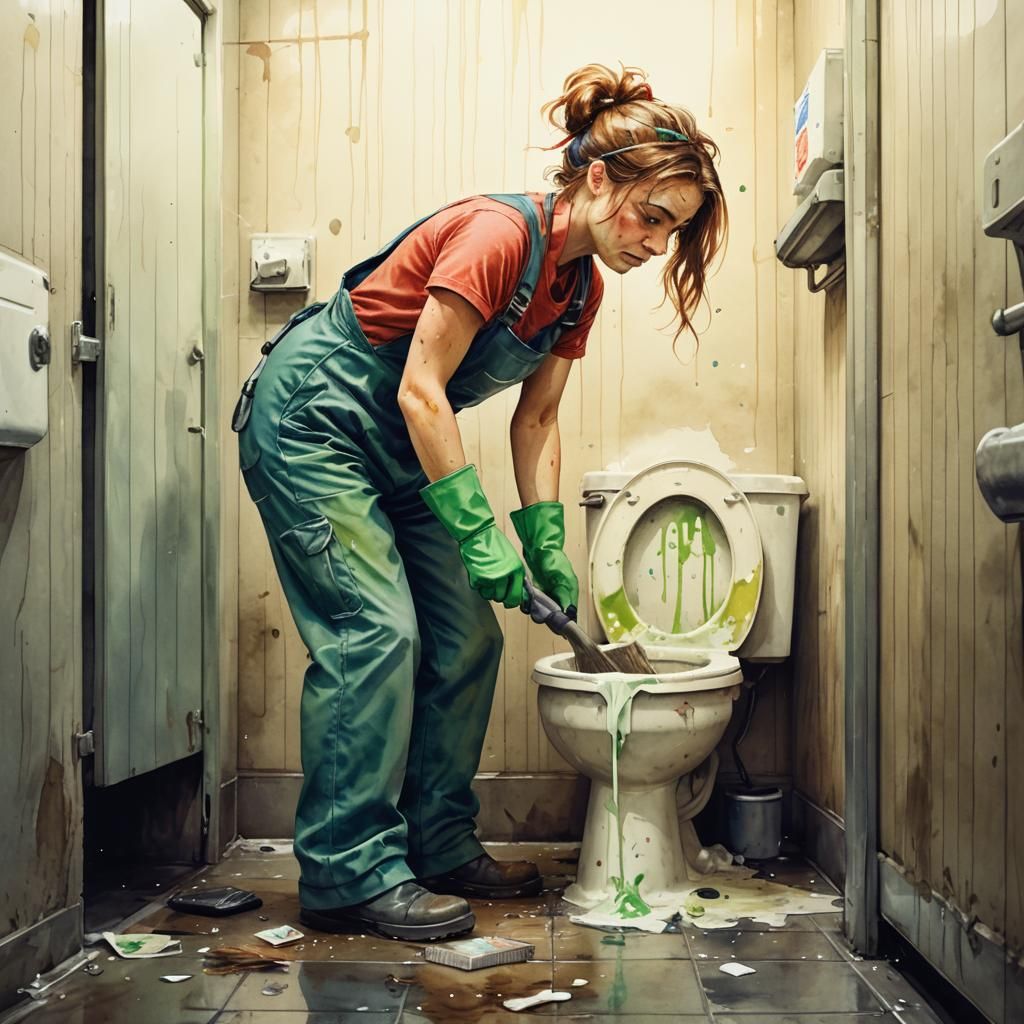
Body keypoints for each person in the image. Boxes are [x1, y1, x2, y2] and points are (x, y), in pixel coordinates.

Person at [233, 62, 728, 942]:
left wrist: (543, 546)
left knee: (468, 639)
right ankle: (347, 870)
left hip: (398, 442)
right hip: (318, 418)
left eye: (673, 230)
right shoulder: (499, 237)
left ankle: (436, 842)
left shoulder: (581, 286)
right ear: (599, 178)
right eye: (652, 216)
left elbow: (536, 421)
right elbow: (424, 388)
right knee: (374, 631)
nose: (656, 244)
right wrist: (479, 536)